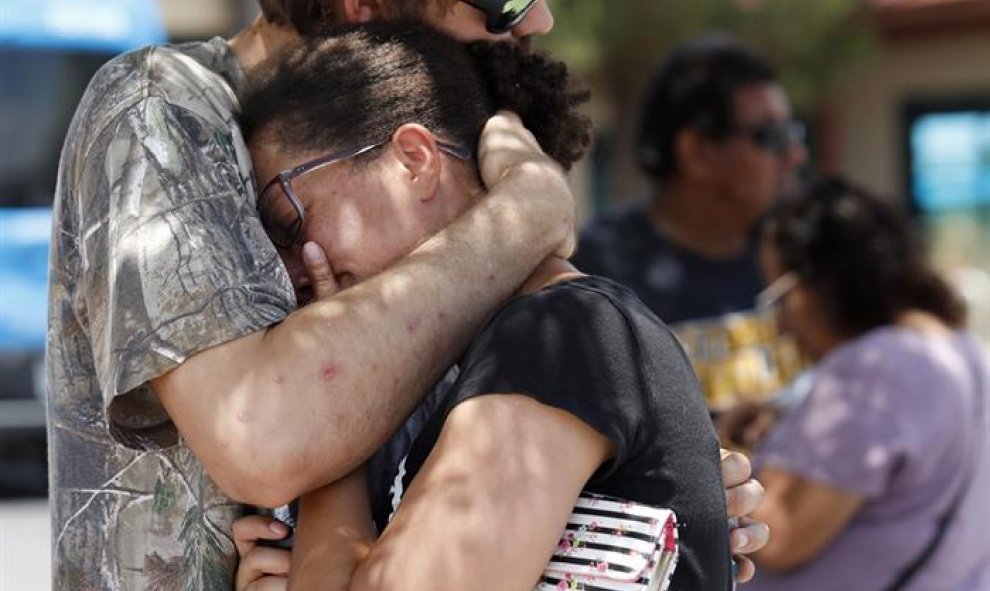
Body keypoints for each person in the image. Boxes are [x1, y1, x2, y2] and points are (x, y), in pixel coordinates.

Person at [47, 1, 766, 589]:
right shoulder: (160, 107)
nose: (535, 18)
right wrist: (526, 214)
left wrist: (630, 498)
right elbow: (260, 432)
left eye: (296, 226)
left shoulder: (539, 317)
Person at [234, 23, 734, 591]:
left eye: (292, 221)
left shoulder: (558, 336)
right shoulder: (517, 352)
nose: (295, 268)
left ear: (414, 159)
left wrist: (328, 429)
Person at [725, 177, 990, 590]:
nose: (780, 325)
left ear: (825, 283)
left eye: (780, 296)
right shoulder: (960, 348)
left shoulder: (874, 370)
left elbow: (778, 535)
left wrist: (724, 452)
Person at [572, 34, 808, 409]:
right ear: (697, 153)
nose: (796, 154)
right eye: (772, 136)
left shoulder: (801, 256)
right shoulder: (597, 277)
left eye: (794, 132)